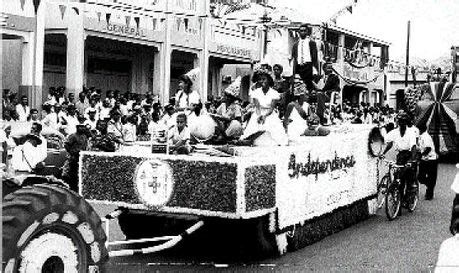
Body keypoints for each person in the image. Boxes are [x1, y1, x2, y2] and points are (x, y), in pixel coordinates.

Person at [240, 69, 288, 146]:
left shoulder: (274, 93)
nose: (262, 81)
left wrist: (265, 116)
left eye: (264, 79)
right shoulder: (256, 92)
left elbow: (271, 109)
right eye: (260, 79)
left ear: (269, 80)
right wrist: (259, 116)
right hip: (258, 112)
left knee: (273, 131)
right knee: (255, 125)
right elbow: (257, 107)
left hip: (269, 113)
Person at [380, 112, 418, 202]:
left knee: (409, 177)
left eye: (403, 121)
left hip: (409, 155)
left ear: (406, 122)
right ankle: (399, 197)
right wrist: (383, 153)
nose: (401, 123)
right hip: (400, 155)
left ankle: (410, 195)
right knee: (398, 177)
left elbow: (413, 147)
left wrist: (411, 160)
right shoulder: (394, 132)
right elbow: (389, 143)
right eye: (400, 121)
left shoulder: (411, 132)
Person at [290, 24, 319, 91]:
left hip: (308, 67)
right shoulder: (296, 44)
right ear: (299, 32)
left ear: (307, 32)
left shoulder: (311, 43)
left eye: (304, 31)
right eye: (301, 31)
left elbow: (315, 57)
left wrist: (315, 69)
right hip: (299, 67)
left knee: (309, 86)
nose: (303, 32)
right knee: (298, 86)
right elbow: (294, 57)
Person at [62, 125, 89, 191]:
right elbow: (66, 145)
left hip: (81, 157)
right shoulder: (73, 136)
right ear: (77, 127)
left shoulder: (84, 136)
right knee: (71, 174)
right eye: (80, 127)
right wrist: (72, 152)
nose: (82, 128)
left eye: (83, 127)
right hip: (74, 157)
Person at [417, 124, 438, 200]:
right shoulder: (421, 136)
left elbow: (428, 148)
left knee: (431, 177)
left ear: (421, 129)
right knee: (420, 177)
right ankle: (430, 185)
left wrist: (420, 156)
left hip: (431, 160)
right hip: (424, 159)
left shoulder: (426, 137)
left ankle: (429, 194)